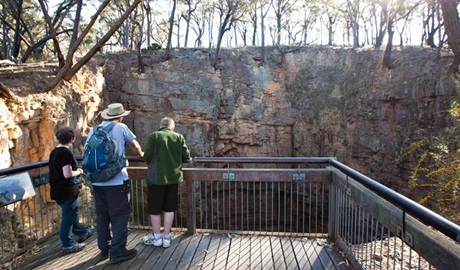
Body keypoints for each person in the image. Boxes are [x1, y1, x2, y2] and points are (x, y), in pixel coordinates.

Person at [85, 103, 144, 264]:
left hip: (98, 182)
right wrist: (141, 154)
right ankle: (118, 251)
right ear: (120, 116)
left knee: (102, 215)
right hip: (117, 182)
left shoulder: (94, 130)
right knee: (119, 216)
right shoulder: (121, 127)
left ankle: (104, 248)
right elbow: (134, 145)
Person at [142, 117, 191, 248]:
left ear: (161, 125)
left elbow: (147, 156)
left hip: (155, 178)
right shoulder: (179, 137)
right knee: (170, 208)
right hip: (173, 178)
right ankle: (167, 237)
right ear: (172, 127)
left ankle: (157, 237)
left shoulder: (154, 136)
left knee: (155, 209)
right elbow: (187, 156)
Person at [49, 127, 93, 254]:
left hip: (57, 189)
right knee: (68, 216)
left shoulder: (54, 152)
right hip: (66, 190)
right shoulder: (65, 153)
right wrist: (79, 171)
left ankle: (81, 232)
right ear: (72, 139)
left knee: (71, 213)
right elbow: (67, 174)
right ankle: (67, 244)